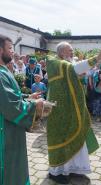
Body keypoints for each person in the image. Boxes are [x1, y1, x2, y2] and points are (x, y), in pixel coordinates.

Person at [46, 41, 101, 184]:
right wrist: (96, 59)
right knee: (62, 139)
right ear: (60, 53)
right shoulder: (55, 63)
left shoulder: (66, 63)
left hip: (71, 109)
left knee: (76, 136)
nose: (72, 53)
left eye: (72, 50)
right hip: (59, 111)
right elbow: (74, 69)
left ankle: (75, 169)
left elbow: (75, 72)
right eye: (69, 51)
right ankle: (56, 172)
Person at [0, 35, 44, 185]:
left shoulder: (3, 71)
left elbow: (10, 96)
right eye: (10, 48)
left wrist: (27, 96)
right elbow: (10, 106)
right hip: (6, 132)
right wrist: (33, 105)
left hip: (10, 128)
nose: (13, 52)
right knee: (9, 170)